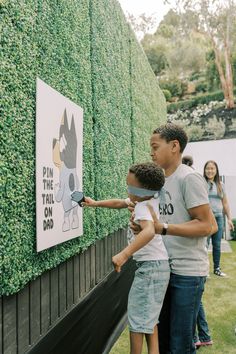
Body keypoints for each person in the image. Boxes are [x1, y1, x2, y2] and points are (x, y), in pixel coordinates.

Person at [142, 123, 218, 354]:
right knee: (163, 339)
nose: (151, 152)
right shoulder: (158, 181)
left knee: (180, 344)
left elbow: (209, 225)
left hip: (188, 273)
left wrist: (163, 228)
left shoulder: (189, 179)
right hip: (163, 269)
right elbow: (157, 222)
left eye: (155, 147)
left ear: (174, 146)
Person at [83, 162, 170, 354]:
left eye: (130, 187)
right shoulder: (146, 200)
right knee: (149, 319)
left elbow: (148, 231)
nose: (127, 191)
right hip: (158, 267)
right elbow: (119, 203)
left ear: (143, 189)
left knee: (138, 319)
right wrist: (95, 203)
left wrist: (124, 255)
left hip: (150, 268)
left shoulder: (141, 207)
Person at [182, 156, 213, 349]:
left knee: (193, 305)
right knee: (196, 304)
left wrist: (167, 228)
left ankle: (197, 337)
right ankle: (203, 335)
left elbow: (210, 226)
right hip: (193, 266)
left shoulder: (191, 180)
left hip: (193, 267)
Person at [203, 160, 234, 277]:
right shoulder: (201, 183)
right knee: (204, 244)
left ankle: (217, 268)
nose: (210, 171)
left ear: (216, 171)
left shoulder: (221, 185)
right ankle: (204, 270)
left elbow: (225, 203)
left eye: (212, 169)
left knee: (217, 244)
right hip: (206, 218)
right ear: (204, 170)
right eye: (208, 168)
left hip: (219, 217)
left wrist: (229, 219)